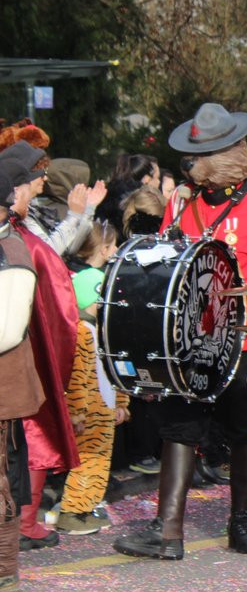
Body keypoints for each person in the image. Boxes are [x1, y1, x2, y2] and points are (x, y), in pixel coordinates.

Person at [113, 103, 247, 560]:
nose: (191, 165)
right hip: (192, 340)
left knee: (244, 428)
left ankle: (241, 522)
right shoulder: (184, 206)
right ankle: (167, 529)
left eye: (202, 155)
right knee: (180, 425)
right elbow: (167, 266)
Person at [0, 145, 80, 552]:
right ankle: (23, 524)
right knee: (30, 433)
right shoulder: (19, 242)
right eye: (36, 178)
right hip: (17, 358)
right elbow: (58, 307)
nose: (41, 186)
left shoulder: (22, 236)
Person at [56, 221, 130, 535]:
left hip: (102, 394)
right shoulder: (87, 327)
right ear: (102, 248)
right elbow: (82, 376)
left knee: (96, 455)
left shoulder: (90, 330)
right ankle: (74, 510)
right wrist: (79, 411)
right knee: (91, 455)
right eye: (113, 246)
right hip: (94, 399)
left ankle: (84, 506)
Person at [0, 170, 46, 592]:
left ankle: (3, 572)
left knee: (1, 487)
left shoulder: (11, 251)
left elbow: (8, 330)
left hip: (3, 389)